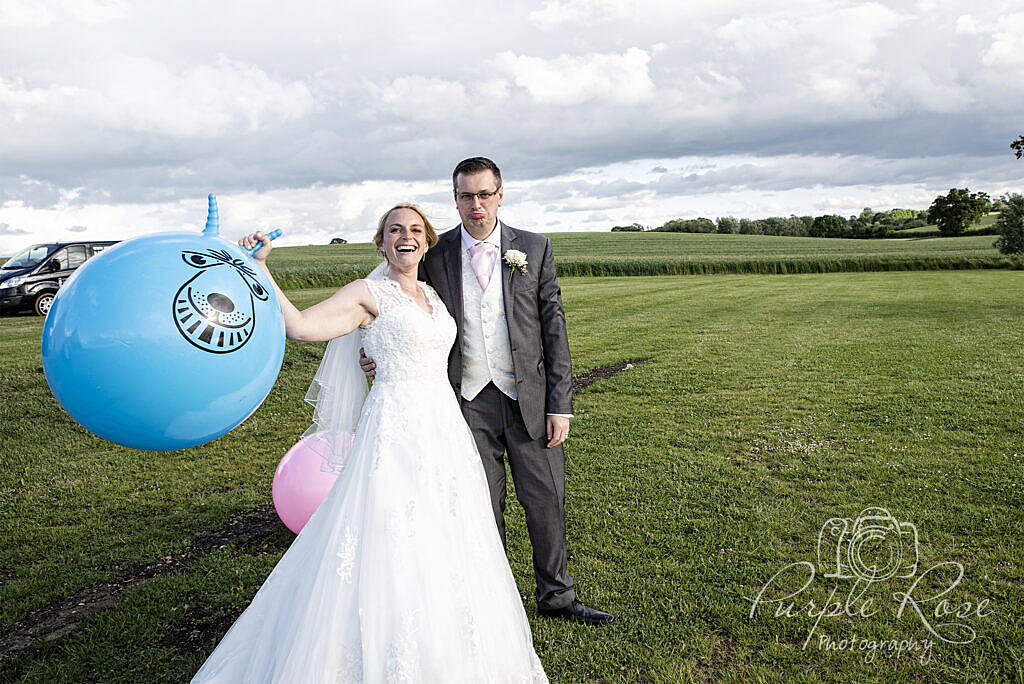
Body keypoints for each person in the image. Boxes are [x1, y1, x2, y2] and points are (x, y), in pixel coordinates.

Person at [191, 204, 548, 682]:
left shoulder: (432, 295)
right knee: (389, 530)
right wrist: (260, 269)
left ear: (427, 242)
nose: (406, 236)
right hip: (394, 430)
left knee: (450, 531)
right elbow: (299, 326)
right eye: (395, 230)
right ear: (381, 242)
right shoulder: (367, 293)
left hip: (443, 429)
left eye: (416, 230)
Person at [361, 158, 614, 626]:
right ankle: (491, 601)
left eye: (483, 195)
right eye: (465, 196)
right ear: (454, 199)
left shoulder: (534, 249)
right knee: (480, 504)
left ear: (500, 195)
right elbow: (395, 303)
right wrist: (374, 350)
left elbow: (553, 330)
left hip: (530, 401)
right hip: (464, 401)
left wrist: (560, 404)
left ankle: (557, 597)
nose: (475, 206)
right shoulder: (434, 254)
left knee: (545, 500)